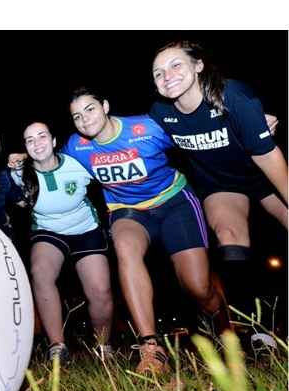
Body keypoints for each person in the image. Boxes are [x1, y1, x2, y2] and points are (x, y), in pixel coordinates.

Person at [62, 86, 230, 374]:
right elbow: (50, 165)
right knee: (125, 248)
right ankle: (151, 349)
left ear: (105, 105)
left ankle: (225, 329)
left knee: (198, 287)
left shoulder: (147, 128)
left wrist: (244, 122)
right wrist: (20, 163)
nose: (84, 119)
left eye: (90, 109)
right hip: (127, 211)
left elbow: (196, 134)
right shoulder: (77, 146)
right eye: (77, 116)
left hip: (174, 203)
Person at [149, 41, 288, 311]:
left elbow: (267, 156)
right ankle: (253, 325)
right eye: (158, 72)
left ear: (198, 66)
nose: (167, 76)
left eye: (176, 65)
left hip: (259, 172)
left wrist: (263, 119)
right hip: (219, 184)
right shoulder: (160, 113)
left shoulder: (231, 95)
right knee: (228, 234)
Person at [11, 121, 114, 363]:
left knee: (100, 290)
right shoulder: (18, 172)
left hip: (85, 228)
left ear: (54, 141)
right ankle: (57, 346)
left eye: (42, 136)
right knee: (40, 272)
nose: (37, 143)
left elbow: (108, 173)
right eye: (30, 139)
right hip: (48, 230)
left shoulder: (77, 164)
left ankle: (103, 346)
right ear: (25, 147)